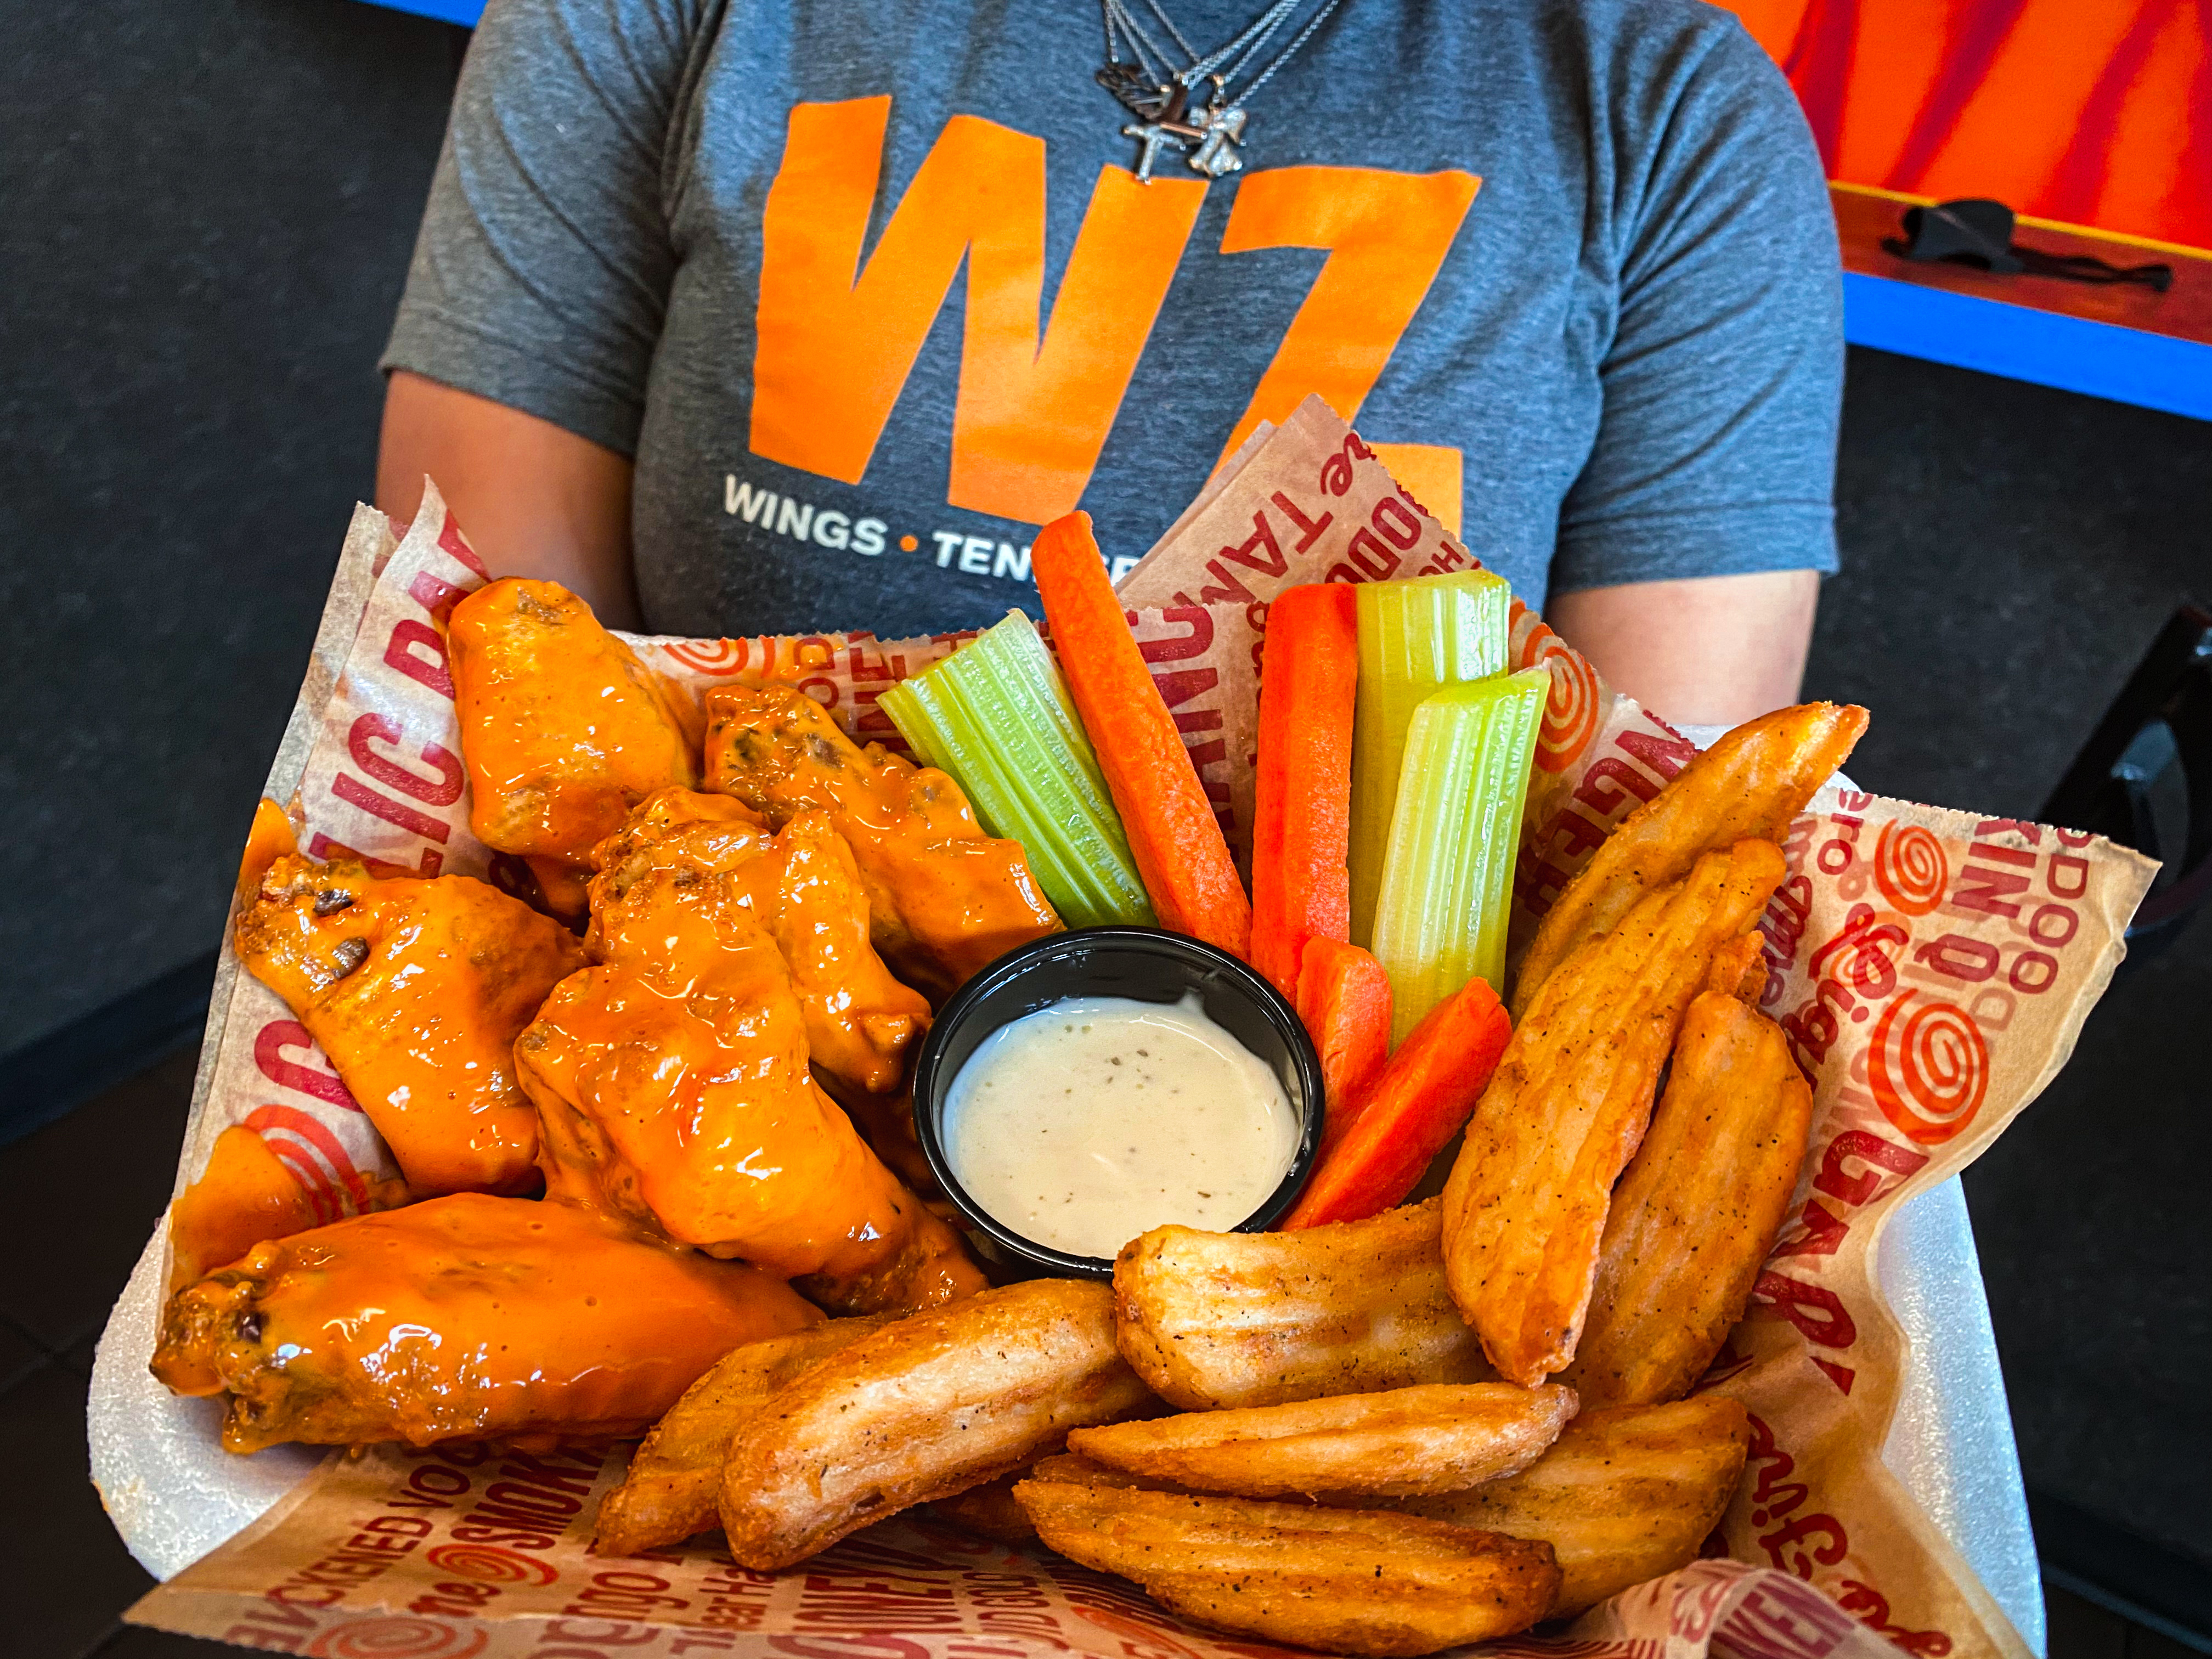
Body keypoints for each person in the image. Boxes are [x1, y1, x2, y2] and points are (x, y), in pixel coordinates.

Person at [377, 0, 1841, 726]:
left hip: (1335, 1155)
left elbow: (1652, 844)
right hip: (701, 1023)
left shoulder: (1674, 120)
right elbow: (499, 683)